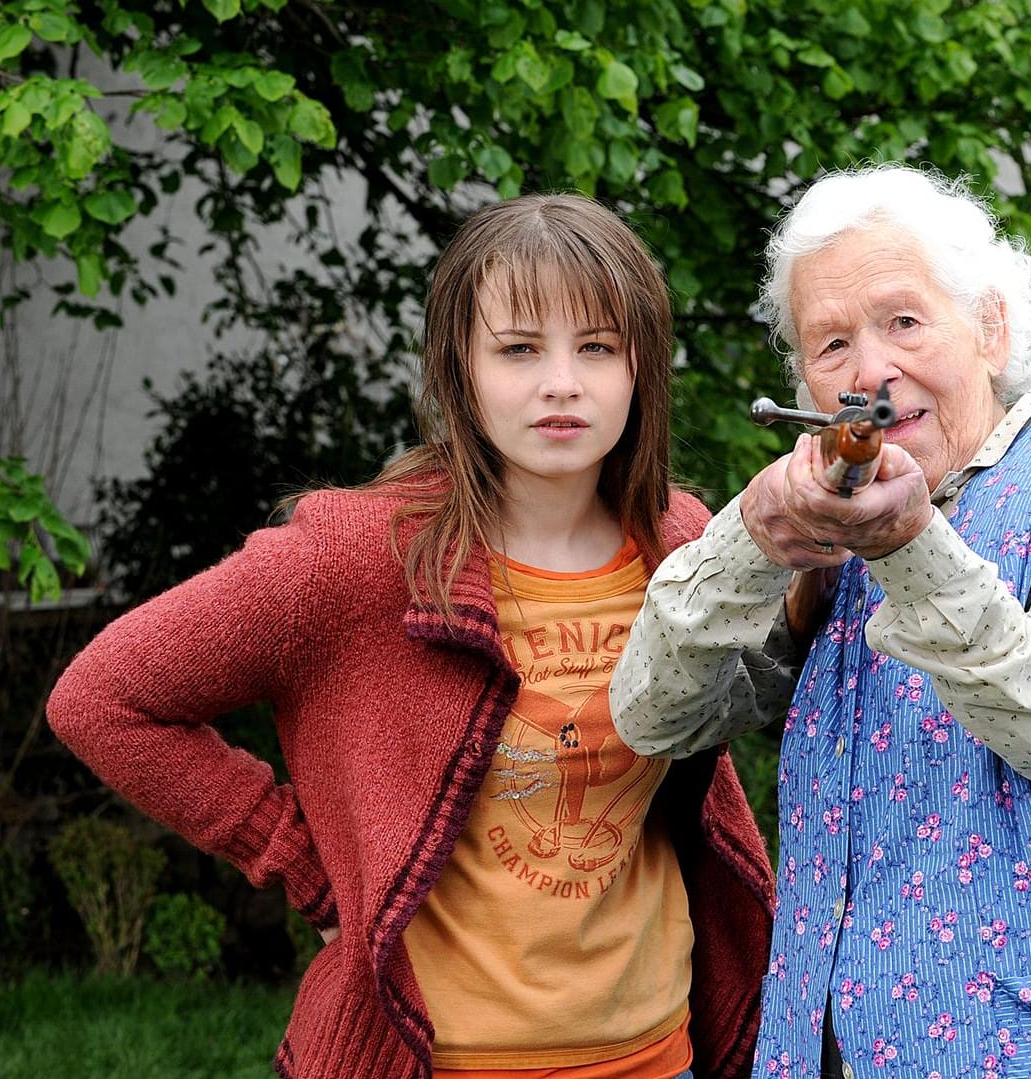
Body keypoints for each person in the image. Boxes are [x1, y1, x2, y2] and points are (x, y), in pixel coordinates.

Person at [48, 194, 772, 1079]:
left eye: (596, 346)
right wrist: (302, 867)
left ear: (640, 369)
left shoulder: (679, 543)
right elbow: (101, 698)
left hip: (660, 1059)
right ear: (457, 368)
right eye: (517, 349)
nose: (561, 382)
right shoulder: (357, 557)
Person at [608, 164, 1031, 1079]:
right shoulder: (837, 527)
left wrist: (906, 540)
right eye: (830, 344)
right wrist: (755, 533)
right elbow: (652, 715)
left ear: (990, 326)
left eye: (902, 320)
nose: (869, 371)